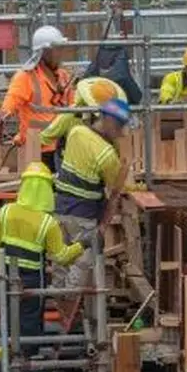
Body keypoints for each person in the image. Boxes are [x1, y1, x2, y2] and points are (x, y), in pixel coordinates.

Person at [0, 162, 85, 372]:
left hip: (4, 280)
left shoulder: (6, 212)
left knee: (7, 327)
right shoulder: (46, 223)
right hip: (31, 285)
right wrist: (82, 245)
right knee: (28, 334)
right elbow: (61, 257)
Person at [49, 99, 131, 317]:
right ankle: (68, 304)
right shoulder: (106, 155)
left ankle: (60, 305)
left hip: (60, 209)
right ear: (109, 120)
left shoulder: (75, 133)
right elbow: (114, 194)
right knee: (82, 264)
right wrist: (103, 228)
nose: (121, 132)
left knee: (60, 260)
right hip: (84, 216)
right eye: (120, 126)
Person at [0, 25, 73, 171]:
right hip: (36, 146)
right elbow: (9, 104)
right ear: (44, 52)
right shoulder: (25, 77)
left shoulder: (63, 76)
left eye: (60, 49)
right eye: (56, 50)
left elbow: (73, 105)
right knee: (38, 183)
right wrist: (1, 116)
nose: (60, 54)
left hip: (63, 144)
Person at [38, 77, 128, 154]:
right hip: (70, 158)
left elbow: (119, 145)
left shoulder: (114, 123)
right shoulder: (71, 115)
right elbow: (44, 137)